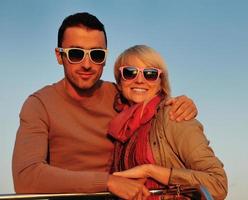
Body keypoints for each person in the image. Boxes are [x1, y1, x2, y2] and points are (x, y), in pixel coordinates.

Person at [12, 12, 198, 199]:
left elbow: (155, 104)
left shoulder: (122, 96)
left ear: (105, 58)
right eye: (76, 54)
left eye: (96, 54)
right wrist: (107, 182)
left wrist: (182, 104)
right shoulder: (39, 105)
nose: (87, 64)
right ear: (59, 56)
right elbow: (26, 177)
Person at [108, 45, 228, 200]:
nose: (139, 80)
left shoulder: (174, 115)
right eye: (129, 72)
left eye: (150, 74)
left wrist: (150, 171)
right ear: (119, 81)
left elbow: (218, 183)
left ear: (160, 82)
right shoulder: (118, 125)